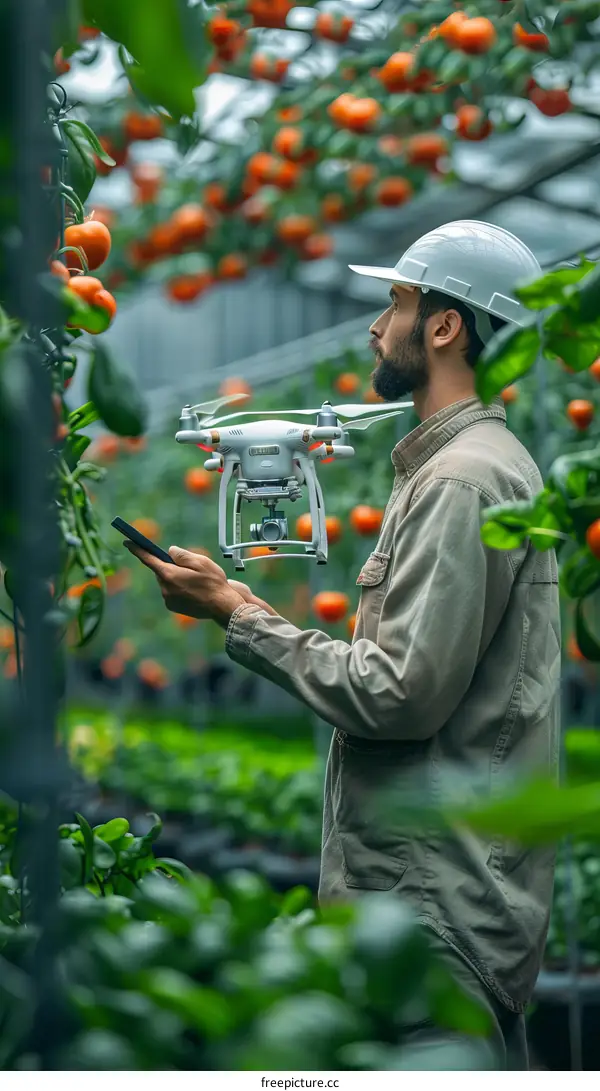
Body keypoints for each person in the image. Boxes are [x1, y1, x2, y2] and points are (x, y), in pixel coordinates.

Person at [125, 220, 562, 1070]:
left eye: (395, 301)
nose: (375, 324)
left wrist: (237, 617)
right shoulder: (466, 467)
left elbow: (399, 694)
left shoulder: (463, 478)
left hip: (434, 903)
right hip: (444, 889)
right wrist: (244, 603)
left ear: (444, 326)